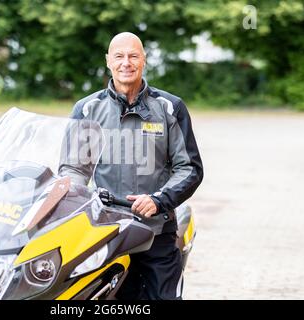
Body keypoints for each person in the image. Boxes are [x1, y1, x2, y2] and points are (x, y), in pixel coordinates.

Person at [58, 32, 203, 300]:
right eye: (119, 56)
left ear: (144, 61)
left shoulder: (170, 108)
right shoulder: (87, 109)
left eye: (133, 56)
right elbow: (73, 170)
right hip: (104, 229)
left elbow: (190, 168)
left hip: (156, 230)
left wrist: (159, 200)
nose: (126, 62)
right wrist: (77, 200)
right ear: (108, 61)